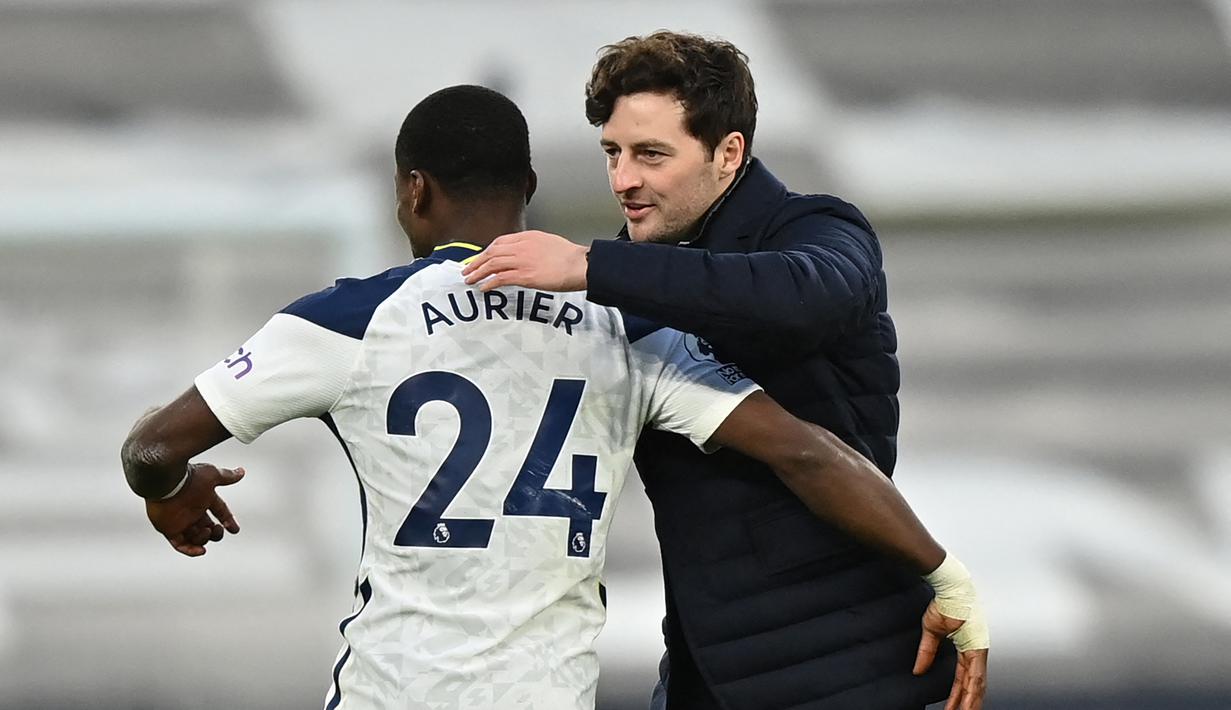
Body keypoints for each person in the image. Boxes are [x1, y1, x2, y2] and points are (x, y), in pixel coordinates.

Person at [121, 85, 986, 710]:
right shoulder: (626, 326)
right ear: (528, 188)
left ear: (413, 190)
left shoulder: (349, 319)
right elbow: (805, 452)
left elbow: (154, 448)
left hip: (396, 687)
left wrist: (174, 491)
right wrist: (943, 573)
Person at [461, 32, 989, 710]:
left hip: (842, 664)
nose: (623, 180)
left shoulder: (818, 229)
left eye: (651, 154)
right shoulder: (627, 271)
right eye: (613, 153)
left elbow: (799, 299)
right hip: (710, 665)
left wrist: (593, 266)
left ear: (728, 152)